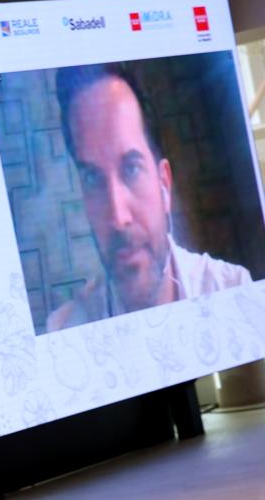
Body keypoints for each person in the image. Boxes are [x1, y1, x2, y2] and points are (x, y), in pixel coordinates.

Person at [48, 62, 252, 331]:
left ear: (164, 184)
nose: (118, 217)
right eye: (93, 178)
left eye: (131, 169)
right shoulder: (65, 329)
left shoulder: (233, 291)